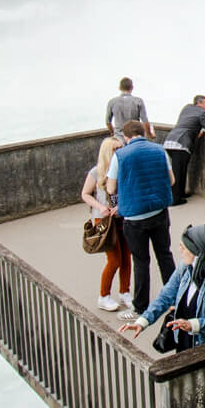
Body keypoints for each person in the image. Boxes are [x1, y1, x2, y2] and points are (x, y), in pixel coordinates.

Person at [119, 223, 205, 351]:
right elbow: (165, 296)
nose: (180, 250)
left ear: (196, 252)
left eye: (183, 248)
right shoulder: (184, 267)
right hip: (183, 339)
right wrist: (142, 322)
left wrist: (192, 325)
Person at [107, 120, 175, 315]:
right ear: (144, 133)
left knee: (141, 261)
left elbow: (111, 188)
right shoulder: (159, 150)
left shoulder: (120, 155)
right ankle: (174, 297)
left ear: (126, 137)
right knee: (164, 255)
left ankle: (140, 306)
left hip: (135, 218)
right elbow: (171, 180)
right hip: (159, 211)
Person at [82, 128, 133, 314]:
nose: (119, 152)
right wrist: (101, 207)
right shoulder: (96, 172)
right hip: (104, 221)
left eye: (120, 148)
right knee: (114, 260)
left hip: (122, 217)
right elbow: (85, 194)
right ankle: (103, 296)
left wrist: (121, 206)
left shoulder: (123, 169)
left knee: (127, 257)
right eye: (115, 149)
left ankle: (125, 292)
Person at [163, 95, 205, 206]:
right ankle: (175, 199)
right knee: (178, 171)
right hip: (181, 143)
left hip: (170, 140)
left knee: (181, 170)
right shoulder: (202, 112)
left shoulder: (186, 108)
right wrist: (202, 129)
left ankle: (180, 194)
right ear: (199, 103)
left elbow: (188, 122)